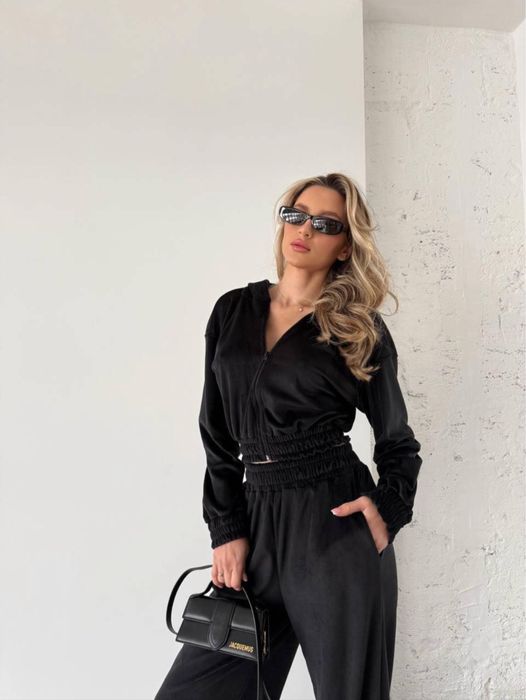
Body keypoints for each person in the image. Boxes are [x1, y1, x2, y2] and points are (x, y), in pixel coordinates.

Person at [154, 172, 423, 700]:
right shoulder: (233, 310)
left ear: (345, 245)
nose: (305, 229)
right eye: (296, 215)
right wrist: (226, 528)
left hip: (333, 525)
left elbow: (397, 441)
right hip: (254, 522)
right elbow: (216, 434)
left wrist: (387, 511)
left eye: (325, 224)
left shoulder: (358, 328)